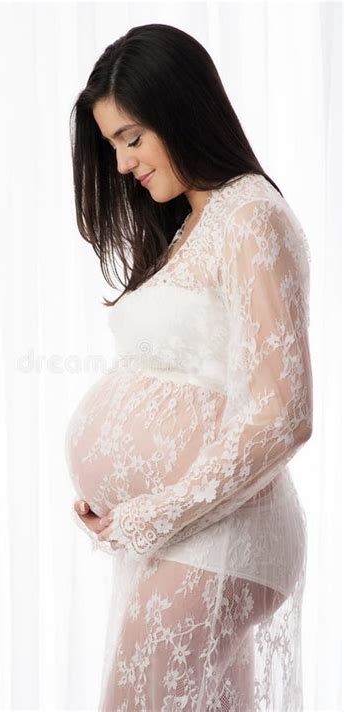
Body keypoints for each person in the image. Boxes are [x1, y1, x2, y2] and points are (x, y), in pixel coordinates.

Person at [64, 23, 313, 711]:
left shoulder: (250, 216)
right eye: (112, 145)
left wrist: (148, 514)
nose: (120, 166)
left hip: (225, 535)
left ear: (182, 110)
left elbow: (284, 413)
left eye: (131, 138)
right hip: (190, 535)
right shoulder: (193, 227)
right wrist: (122, 503)